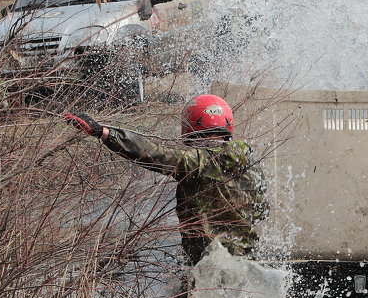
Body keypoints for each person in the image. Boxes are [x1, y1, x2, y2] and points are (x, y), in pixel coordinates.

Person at [62, 95, 267, 267]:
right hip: (247, 261)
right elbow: (261, 211)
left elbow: (153, 154)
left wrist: (104, 133)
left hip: (211, 266)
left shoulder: (196, 161)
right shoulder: (251, 162)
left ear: (191, 125)